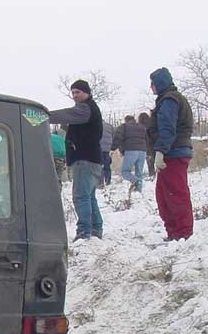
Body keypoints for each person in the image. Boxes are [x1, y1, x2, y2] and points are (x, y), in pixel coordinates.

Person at [49, 79, 104, 241]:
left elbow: (66, 114)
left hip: (85, 159)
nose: (74, 96)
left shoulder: (85, 109)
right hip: (92, 159)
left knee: (80, 196)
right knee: (89, 197)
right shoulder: (89, 109)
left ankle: (84, 232)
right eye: (73, 93)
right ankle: (96, 229)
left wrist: (43, 115)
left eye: (77, 92)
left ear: (87, 92)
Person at [148, 67, 194, 241]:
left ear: (159, 83)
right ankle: (174, 233)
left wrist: (160, 151)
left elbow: (167, 128)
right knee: (164, 196)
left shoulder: (169, 100)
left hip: (173, 153)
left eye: (152, 84)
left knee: (175, 194)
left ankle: (183, 234)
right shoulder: (168, 99)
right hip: (172, 152)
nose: (151, 88)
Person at [112, 115, 148, 192]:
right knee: (139, 172)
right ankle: (139, 190)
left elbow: (118, 137)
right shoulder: (142, 127)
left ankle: (135, 181)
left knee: (125, 171)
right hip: (142, 151)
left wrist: (113, 148)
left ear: (126, 120)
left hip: (131, 150)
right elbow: (147, 139)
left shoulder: (124, 126)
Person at [138, 112, 155, 178]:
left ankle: (151, 173)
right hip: (154, 143)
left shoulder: (140, 126)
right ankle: (156, 173)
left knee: (149, 160)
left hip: (146, 145)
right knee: (155, 158)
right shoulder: (152, 124)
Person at [100, 121, 114, 185]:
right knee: (107, 165)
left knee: (100, 165)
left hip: (99, 148)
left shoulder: (96, 125)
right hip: (108, 148)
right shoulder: (110, 126)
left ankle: (100, 182)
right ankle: (108, 181)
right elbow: (114, 135)